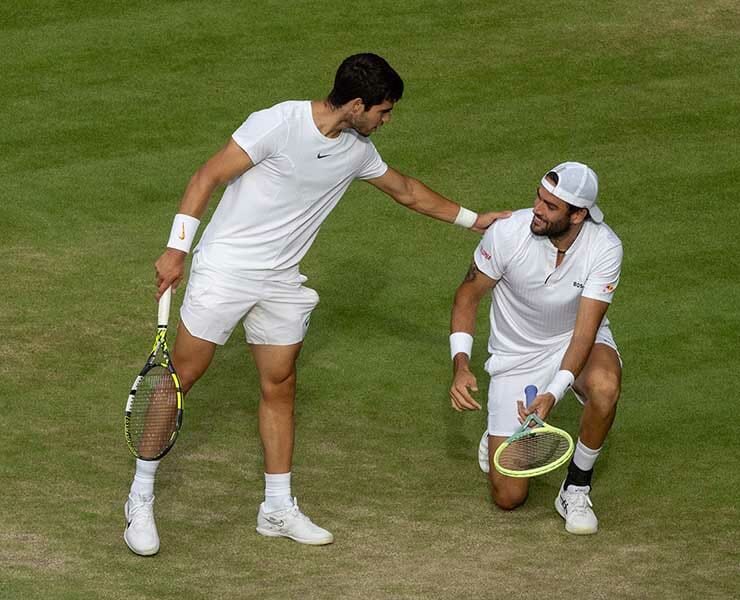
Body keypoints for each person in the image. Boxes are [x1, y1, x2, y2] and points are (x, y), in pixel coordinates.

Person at [123, 53, 509, 556]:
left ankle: (277, 508)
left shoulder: (356, 150)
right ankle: (141, 495)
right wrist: (178, 248)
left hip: (283, 282)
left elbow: (408, 192)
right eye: (383, 111)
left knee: (280, 384)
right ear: (355, 104)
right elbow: (207, 177)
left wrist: (476, 219)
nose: (386, 121)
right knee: (182, 377)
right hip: (226, 270)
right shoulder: (277, 124)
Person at [448, 161, 623, 535]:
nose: (538, 210)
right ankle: (502, 425)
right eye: (539, 198)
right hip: (516, 357)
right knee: (508, 497)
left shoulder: (605, 247)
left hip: (574, 340)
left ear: (578, 215)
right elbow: (467, 296)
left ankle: (575, 486)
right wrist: (460, 364)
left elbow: (583, 335)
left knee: (605, 388)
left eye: (551, 206)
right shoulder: (508, 233)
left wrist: (553, 394)